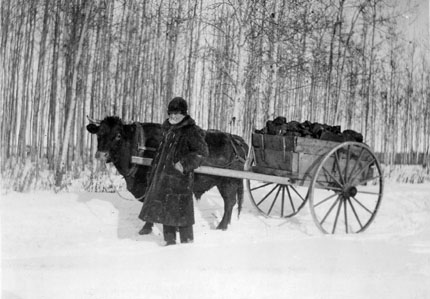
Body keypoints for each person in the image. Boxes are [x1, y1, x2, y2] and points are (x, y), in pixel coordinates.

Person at [138, 97, 209, 245]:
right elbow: (160, 153)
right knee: (165, 214)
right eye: (171, 113)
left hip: (180, 181)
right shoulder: (167, 130)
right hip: (163, 179)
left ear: (184, 113)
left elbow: (202, 152)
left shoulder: (191, 131)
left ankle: (187, 244)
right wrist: (153, 172)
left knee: (182, 215)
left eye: (177, 113)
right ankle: (169, 243)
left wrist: (184, 164)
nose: (173, 116)